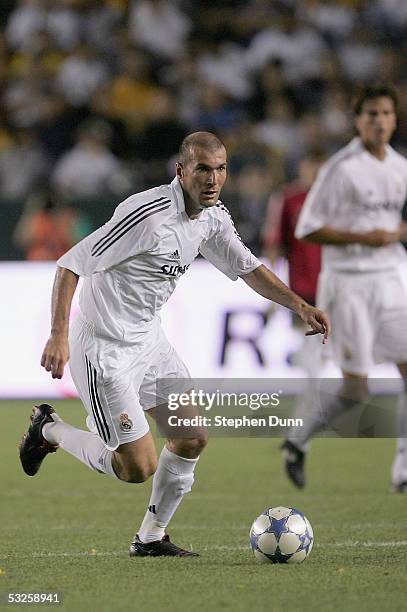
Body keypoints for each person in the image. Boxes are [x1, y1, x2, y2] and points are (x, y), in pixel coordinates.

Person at [19, 132, 330, 558]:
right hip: (104, 348)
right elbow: (71, 263)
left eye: (220, 168)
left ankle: (150, 538)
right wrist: (57, 334)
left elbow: (249, 268)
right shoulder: (146, 215)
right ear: (180, 171)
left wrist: (299, 305)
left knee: (192, 437)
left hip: (150, 341)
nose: (213, 178)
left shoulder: (213, 218)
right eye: (203, 168)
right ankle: (49, 429)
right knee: (137, 468)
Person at [281, 85, 407, 492]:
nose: (379, 121)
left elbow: (391, 225)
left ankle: (403, 472)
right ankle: (297, 442)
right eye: (371, 113)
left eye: (386, 113)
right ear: (358, 120)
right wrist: (365, 239)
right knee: (356, 390)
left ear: (394, 118)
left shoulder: (400, 167)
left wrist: (394, 234)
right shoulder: (341, 168)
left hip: (392, 276)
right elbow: (307, 229)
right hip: (349, 282)